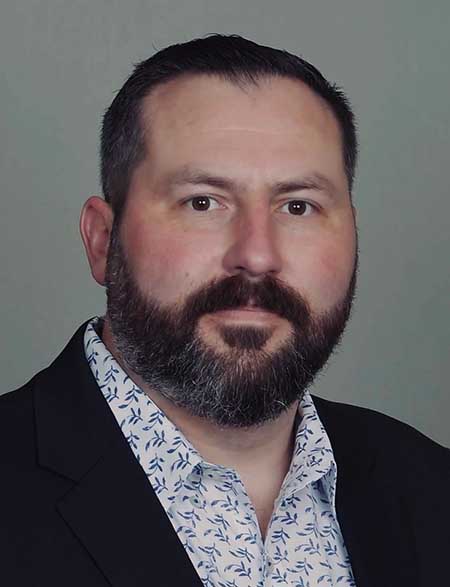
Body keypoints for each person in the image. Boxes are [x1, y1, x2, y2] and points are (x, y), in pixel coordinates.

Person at [1, 34, 448, 587]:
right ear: (102, 240)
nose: (257, 256)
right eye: (203, 202)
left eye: (298, 206)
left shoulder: (433, 489)